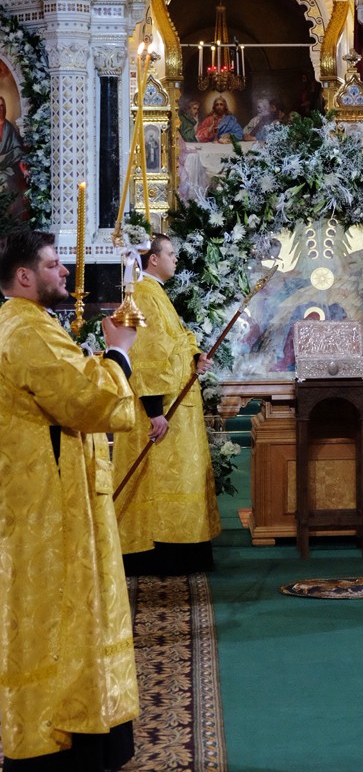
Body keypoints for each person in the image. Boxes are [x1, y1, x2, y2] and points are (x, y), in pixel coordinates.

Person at [0, 230, 139, 772]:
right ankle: (53, 757)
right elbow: (87, 400)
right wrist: (119, 351)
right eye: (54, 265)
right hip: (48, 512)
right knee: (58, 621)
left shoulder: (23, 325)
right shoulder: (26, 330)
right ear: (24, 276)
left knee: (71, 616)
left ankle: (88, 744)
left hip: (51, 500)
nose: (64, 273)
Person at [113, 233, 221, 574]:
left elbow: (177, 339)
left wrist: (196, 355)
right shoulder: (143, 294)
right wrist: (155, 412)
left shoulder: (155, 292)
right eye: (171, 253)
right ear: (154, 259)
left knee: (178, 478)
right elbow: (146, 355)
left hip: (177, 404)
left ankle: (181, 547)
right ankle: (160, 551)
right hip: (162, 410)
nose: (176, 259)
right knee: (160, 479)